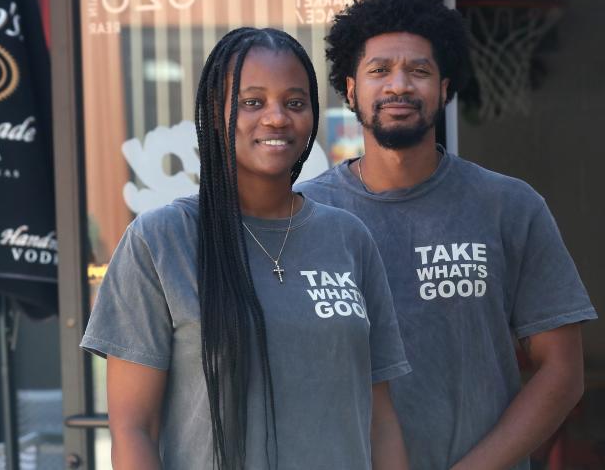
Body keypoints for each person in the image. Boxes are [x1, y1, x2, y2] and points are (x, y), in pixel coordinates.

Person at [81, 27, 411, 470]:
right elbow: (133, 428)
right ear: (217, 115)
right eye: (252, 102)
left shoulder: (349, 238)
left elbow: (381, 419)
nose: (277, 118)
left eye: (295, 103)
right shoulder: (161, 241)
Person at [297, 0, 597, 470]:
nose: (399, 85)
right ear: (351, 88)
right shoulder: (305, 215)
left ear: (445, 87)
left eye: (419, 70)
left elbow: (562, 373)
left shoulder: (508, 206)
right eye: (379, 71)